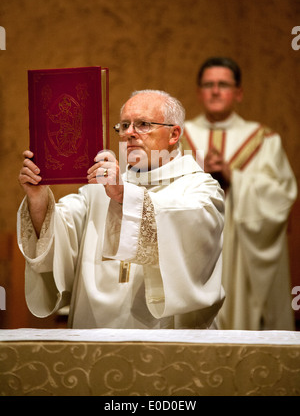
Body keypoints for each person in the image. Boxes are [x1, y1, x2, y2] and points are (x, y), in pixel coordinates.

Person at [17, 89, 225, 329]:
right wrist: (38, 197)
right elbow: (54, 235)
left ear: (174, 134)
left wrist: (124, 196)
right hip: (95, 332)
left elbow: (185, 224)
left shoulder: (201, 189)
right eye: (124, 125)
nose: (129, 134)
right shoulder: (98, 189)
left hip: (165, 341)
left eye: (143, 124)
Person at [181, 57, 298, 330]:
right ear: (199, 92)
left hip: (242, 256)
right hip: (192, 249)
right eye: (208, 85)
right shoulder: (178, 137)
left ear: (239, 93)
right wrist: (198, 171)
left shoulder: (264, 139)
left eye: (223, 84)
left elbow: (282, 196)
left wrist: (235, 177)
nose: (215, 91)